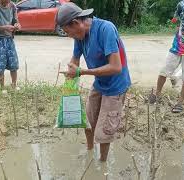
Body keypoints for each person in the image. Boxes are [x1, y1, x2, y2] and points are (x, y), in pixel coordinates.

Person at [56, 2, 131, 161]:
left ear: (76, 23)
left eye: (68, 32)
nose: (69, 36)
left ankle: (102, 163)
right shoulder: (80, 35)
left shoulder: (106, 29)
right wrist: (71, 73)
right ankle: (89, 151)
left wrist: (82, 72)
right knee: (88, 121)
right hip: (100, 83)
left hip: (116, 86)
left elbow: (116, 67)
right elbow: (75, 61)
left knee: (104, 131)